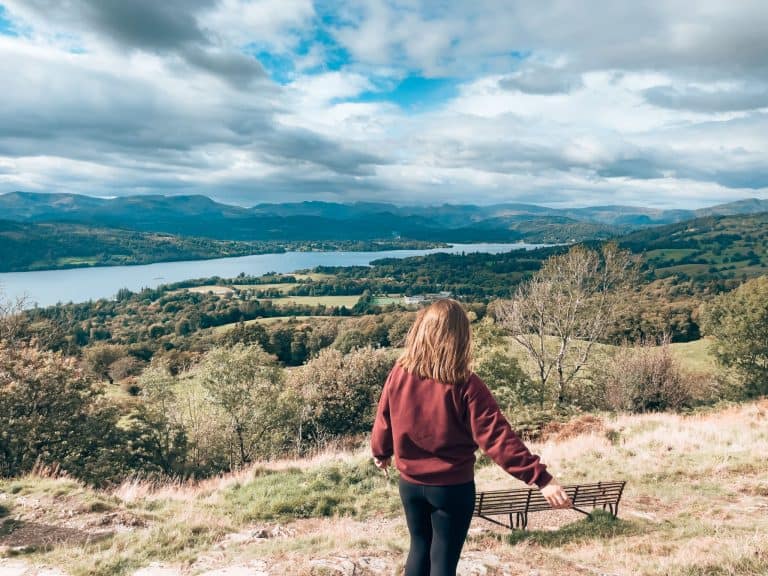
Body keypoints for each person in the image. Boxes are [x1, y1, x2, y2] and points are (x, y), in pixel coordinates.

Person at [371, 299, 571, 576]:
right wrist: (540, 478)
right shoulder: (466, 385)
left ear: (420, 332)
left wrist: (381, 452)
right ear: (461, 337)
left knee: (418, 548)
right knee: (442, 560)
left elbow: (385, 417)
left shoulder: (399, 372)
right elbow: (497, 437)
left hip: (410, 485)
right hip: (452, 489)